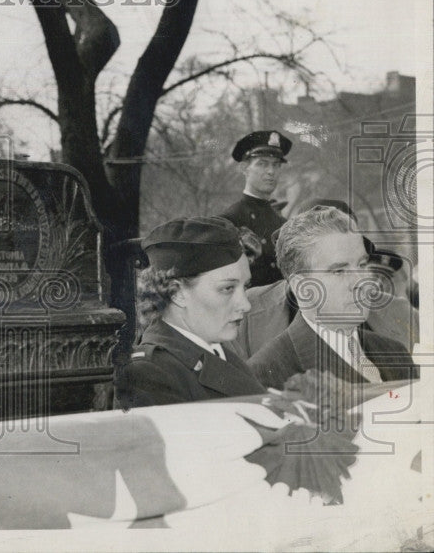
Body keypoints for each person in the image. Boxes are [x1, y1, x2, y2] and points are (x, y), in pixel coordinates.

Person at [247, 206, 417, 390]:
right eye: (339, 271)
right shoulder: (265, 373)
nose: (361, 282)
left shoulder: (395, 351)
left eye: (362, 264)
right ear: (302, 288)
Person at [115, 217, 265, 408]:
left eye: (245, 287)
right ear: (177, 293)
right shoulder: (147, 373)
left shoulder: (221, 353)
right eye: (227, 289)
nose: (246, 305)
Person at [218, 130, 292, 287]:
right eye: (262, 164)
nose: (271, 171)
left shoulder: (284, 224)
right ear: (244, 168)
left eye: (276, 165)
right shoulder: (230, 220)